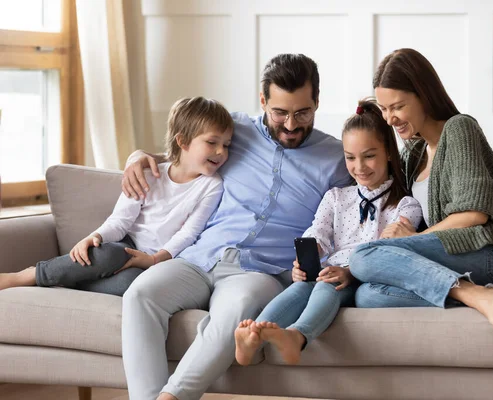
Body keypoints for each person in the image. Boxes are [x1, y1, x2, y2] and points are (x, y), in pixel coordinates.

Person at [119, 54, 350, 400]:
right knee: (140, 294)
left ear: (317, 101)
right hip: (199, 257)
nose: (290, 125)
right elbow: (183, 150)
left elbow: (365, 204)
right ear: (262, 101)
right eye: (279, 113)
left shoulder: (336, 156)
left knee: (237, 311)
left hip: (260, 272)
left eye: (302, 113)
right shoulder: (235, 131)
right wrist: (136, 156)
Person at [349, 48, 493, 331]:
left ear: (423, 94)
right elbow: (373, 181)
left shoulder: (459, 128)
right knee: (368, 295)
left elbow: (473, 215)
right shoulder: (413, 154)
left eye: (397, 106)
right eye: (384, 109)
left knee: (364, 256)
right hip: (463, 262)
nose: (390, 119)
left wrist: (414, 239)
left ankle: (476, 292)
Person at [233, 98, 422, 366]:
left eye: (369, 156)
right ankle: (255, 334)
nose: (360, 167)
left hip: (363, 276)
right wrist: (306, 260)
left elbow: (387, 251)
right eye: (350, 158)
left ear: (388, 153)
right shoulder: (336, 197)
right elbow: (317, 231)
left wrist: (349, 272)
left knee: (325, 287)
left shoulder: (405, 206)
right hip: (329, 270)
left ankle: (297, 337)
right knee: (298, 289)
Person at [0, 97, 232, 296]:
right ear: (182, 141)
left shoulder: (212, 185)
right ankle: (29, 275)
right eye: (212, 142)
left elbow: (189, 232)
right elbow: (121, 220)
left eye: (226, 144)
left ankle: (67, 278)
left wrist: (154, 260)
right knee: (110, 253)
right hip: (124, 246)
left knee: (132, 286)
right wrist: (95, 236)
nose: (221, 152)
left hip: (157, 261)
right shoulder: (148, 174)